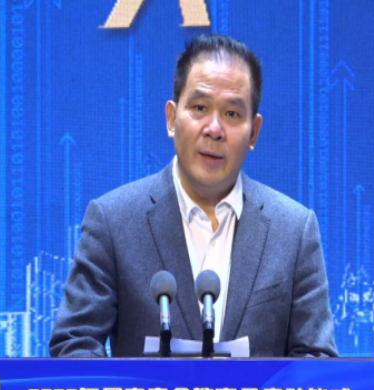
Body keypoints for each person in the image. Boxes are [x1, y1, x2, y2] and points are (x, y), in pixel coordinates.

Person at [49, 34, 337, 358]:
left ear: (254, 132)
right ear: (172, 119)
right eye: (200, 108)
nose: (214, 129)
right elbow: (74, 344)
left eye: (232, 114)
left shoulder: (294, 231)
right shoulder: (113, 222)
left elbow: (317, 361)